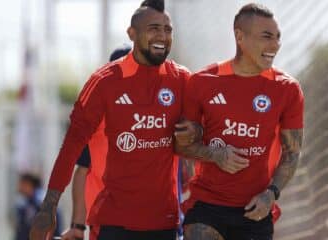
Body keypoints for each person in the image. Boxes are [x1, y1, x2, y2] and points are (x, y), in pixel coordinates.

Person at [28, 0, 200, 239]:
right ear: (132, 33)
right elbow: (72, 149)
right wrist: (49, 206)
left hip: (165, 224)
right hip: (113, 224)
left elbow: (204, 134)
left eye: (167, 29)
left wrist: (195, 132)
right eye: (154, 28)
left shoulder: (182, 79)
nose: (162, 36)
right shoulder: (104, 82)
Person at [175, 3, 304, 240]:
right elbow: (181, 146)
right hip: (207, 205)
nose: (275, 45)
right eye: (266, 37)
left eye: (277, 37)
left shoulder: (287, 89)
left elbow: (292, 154)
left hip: (254, 209)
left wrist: (271, 194)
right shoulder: (202, 82)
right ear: (239, 37)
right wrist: (216, 155)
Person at [60, 45, 131, 240]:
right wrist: (78, 225)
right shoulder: (97, 117)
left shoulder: (158, 111)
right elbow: (82, 170)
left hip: (152, 220)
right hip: (106, 221)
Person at [15, 173, 62, 240]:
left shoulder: (37, 202)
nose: (18, 187)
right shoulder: (30, 200)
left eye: (21, 184)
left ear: (28, 184)